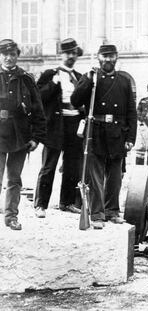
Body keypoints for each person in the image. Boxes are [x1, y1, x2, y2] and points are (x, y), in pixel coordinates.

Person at [71, 44, 137, 229]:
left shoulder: (123, 81)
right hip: (96, 132)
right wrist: (87, 81)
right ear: (99, 57)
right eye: (105, 56)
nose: (108, 60)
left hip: (117, 133)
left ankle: (112, 211)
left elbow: (132, 112)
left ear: (117, 57)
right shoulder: (91, 77)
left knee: (115, 175)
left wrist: (130, 137)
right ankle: (97, 214)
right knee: (96, 176)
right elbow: (75, 101)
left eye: (111, 56)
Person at [34, 38, 84, 218]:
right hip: (55, 126)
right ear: (61, 54)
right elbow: (39, 98)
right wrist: (54, 82)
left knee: (72, 166)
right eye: (67, 53)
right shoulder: (50, 74)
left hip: (74, 125)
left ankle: (67, 202)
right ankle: (41, 204)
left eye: (74, 53)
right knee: (49, 166)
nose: (71, 56)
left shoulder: (79, 77)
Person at [0, 39, 46, 230]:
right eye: (5, 54)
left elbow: (38, 110)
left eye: (13, 54)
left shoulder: (26, 79)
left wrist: (36, 137)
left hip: (20, 135)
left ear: (17, 56)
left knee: (14, 179)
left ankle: (11, 216)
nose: (9, 58)